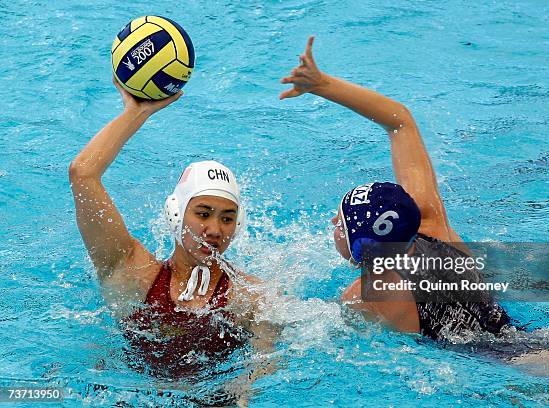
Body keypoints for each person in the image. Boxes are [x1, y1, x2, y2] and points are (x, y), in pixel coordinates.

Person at [279, 37, 515, 340]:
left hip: (491, 365)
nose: (333, 223)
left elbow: (300, 328)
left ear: (360, 246)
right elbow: (400, 121)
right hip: (519, 339)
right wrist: (322, 84)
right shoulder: (433, 227)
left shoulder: (366, 299)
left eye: (340, 223)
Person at [69, 79, 275, 382]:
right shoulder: (132, 272)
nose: (215, 230)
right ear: (176, 213)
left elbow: (261, 370)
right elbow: (82, 173)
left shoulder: (251, 297)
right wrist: (135, 113)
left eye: (227, 218)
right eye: (203, 214)